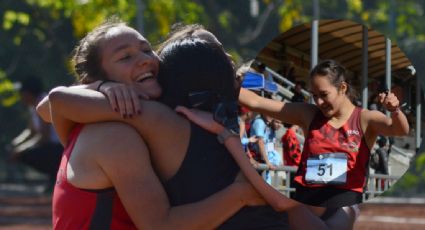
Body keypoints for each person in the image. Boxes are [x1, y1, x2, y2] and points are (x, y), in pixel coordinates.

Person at [39, 20, 357, 229]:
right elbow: (54, 102)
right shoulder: (127, 123)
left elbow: (54, 103)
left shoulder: (156, 116)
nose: (143, 58)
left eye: (147, 49)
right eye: (125, 57)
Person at [239, 59, 409, 208]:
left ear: (342, 88)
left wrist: (395, 111)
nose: (319, 102)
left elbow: (400, 130)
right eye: (314, 95)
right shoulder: (308, 114)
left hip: (343, 199)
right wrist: (227, 80)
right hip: (306, 197)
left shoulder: (365, 118)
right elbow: (256, 101)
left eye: (324, 94)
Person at [7, 76, 62, 191]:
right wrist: (15, 143)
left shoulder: (43, 103)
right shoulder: (33, 106)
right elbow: (31, 131)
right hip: (49, 146)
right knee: (15, 150)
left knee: (26, 154)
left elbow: (44, 137)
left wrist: (21, 150)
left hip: (58, 148)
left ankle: (55, 176)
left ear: (27, 93)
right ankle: (53, 178)